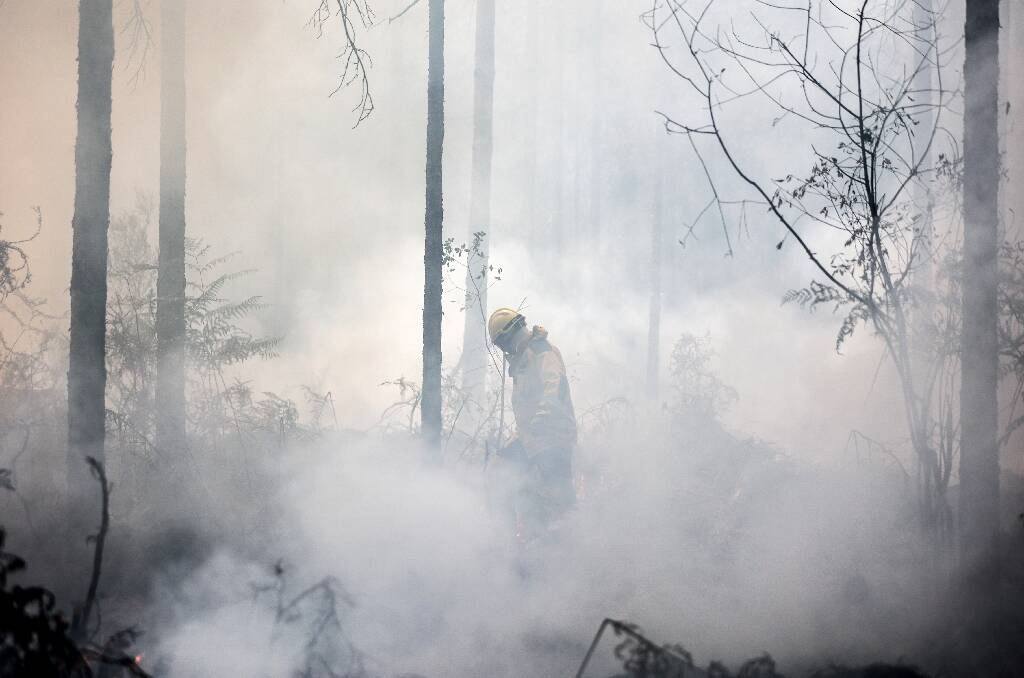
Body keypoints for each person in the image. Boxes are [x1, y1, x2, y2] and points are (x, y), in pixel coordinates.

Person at [487, 307, 577, 540]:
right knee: (499, 471)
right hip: (532, 439)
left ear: (511, 335)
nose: (504, 349)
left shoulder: (543, 353)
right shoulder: (524, 362)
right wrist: (516, 439)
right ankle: (505, 539)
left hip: (553, 437)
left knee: (559, 503)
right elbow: (526, 412)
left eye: (503, 343)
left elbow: (554, 386)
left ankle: (572, 545)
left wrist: (543, 416)